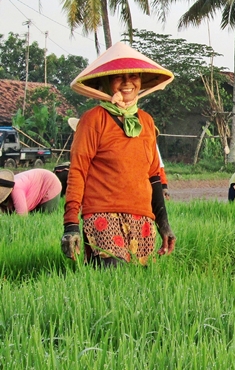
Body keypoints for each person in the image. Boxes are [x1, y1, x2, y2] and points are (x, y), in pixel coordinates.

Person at [60, 41, 177, 267]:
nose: (127, 82)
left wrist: (164, 224)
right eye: (118, 77)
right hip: (102, 214)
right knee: (112, 277)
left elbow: (154, 176)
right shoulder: (93, 120)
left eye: (133, 75)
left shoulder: (146, 121)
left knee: (136, 289)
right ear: (105, 81)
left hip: (142, 217)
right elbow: (77, 172)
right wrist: (70, 226)